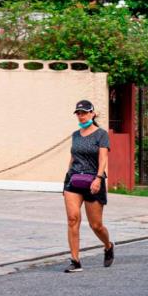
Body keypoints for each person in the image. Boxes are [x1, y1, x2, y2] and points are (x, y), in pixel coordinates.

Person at [62, 100, 113, 273]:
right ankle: (75, 261)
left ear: (92, 113)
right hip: (74, 181)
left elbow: (103, 159)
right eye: (78, 113)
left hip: (93, 182)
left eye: (84, 112)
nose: (81, 115)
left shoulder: (101, 134)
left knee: (96, 225)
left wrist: (98, 178)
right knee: (72, 219)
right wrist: (66, 180)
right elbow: (73, 158)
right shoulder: (75, 135)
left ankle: (108, 245)